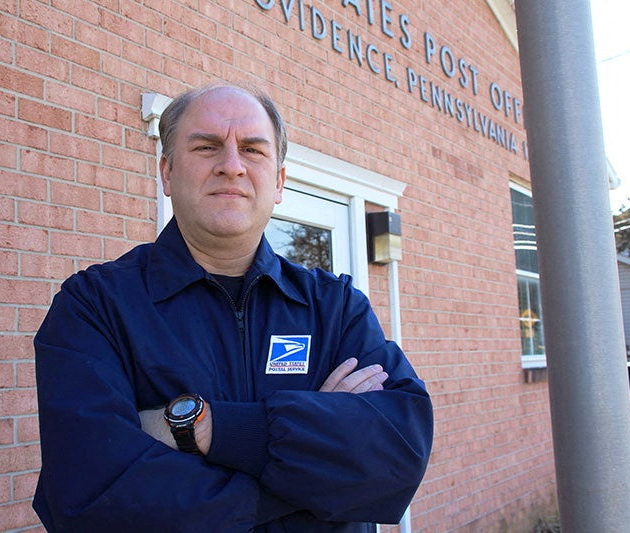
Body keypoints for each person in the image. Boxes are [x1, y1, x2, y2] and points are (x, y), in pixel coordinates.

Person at [32, 83, 433, 532]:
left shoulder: (335, 307)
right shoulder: (95, 307)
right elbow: (91, 499)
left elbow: (398, 455)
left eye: (252, 149)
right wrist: (317, 455)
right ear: (166, 173)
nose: (231, 166)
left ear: (279, 181)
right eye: (206, 147)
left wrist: (206, 428)